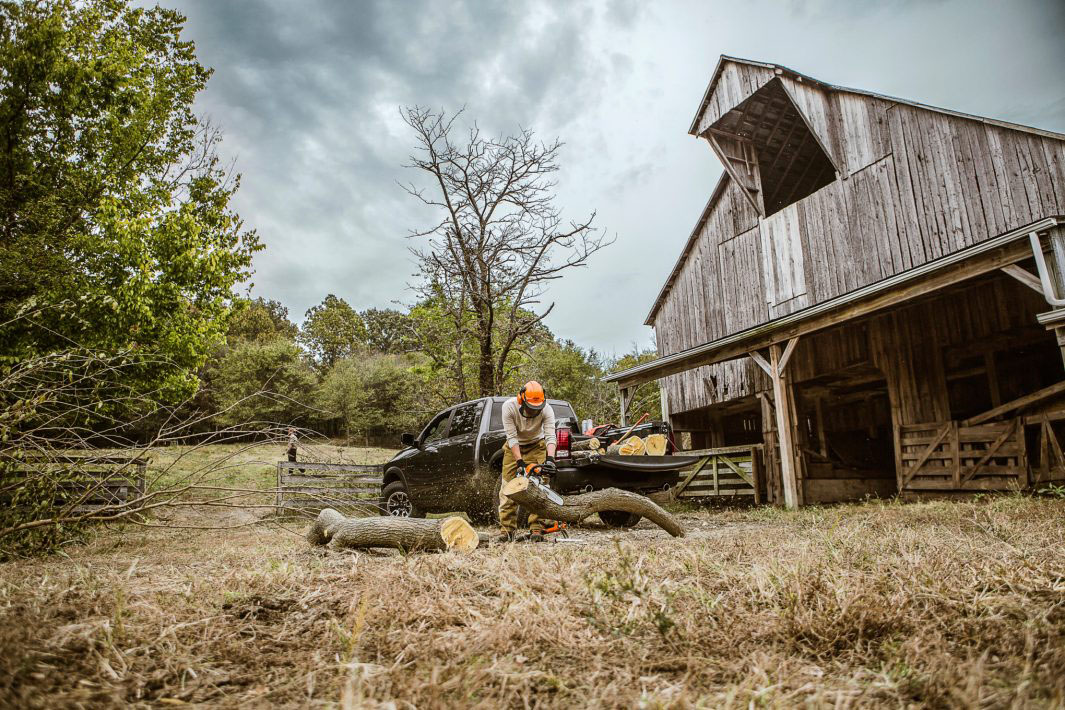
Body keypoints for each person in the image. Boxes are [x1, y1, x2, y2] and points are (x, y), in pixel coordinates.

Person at [496, 381, 557, 542]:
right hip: (513, 447)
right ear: (521, 400)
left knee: (540, 486)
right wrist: (520, 463)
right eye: (530, 408)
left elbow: (551, 435)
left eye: (537, 408)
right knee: (507, 487)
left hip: (537, 444)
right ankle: (507, 530)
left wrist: (550, 460)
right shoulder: (508, 407)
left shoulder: (547, 409)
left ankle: (537, 528)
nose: (533, 411)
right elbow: (511, 437)